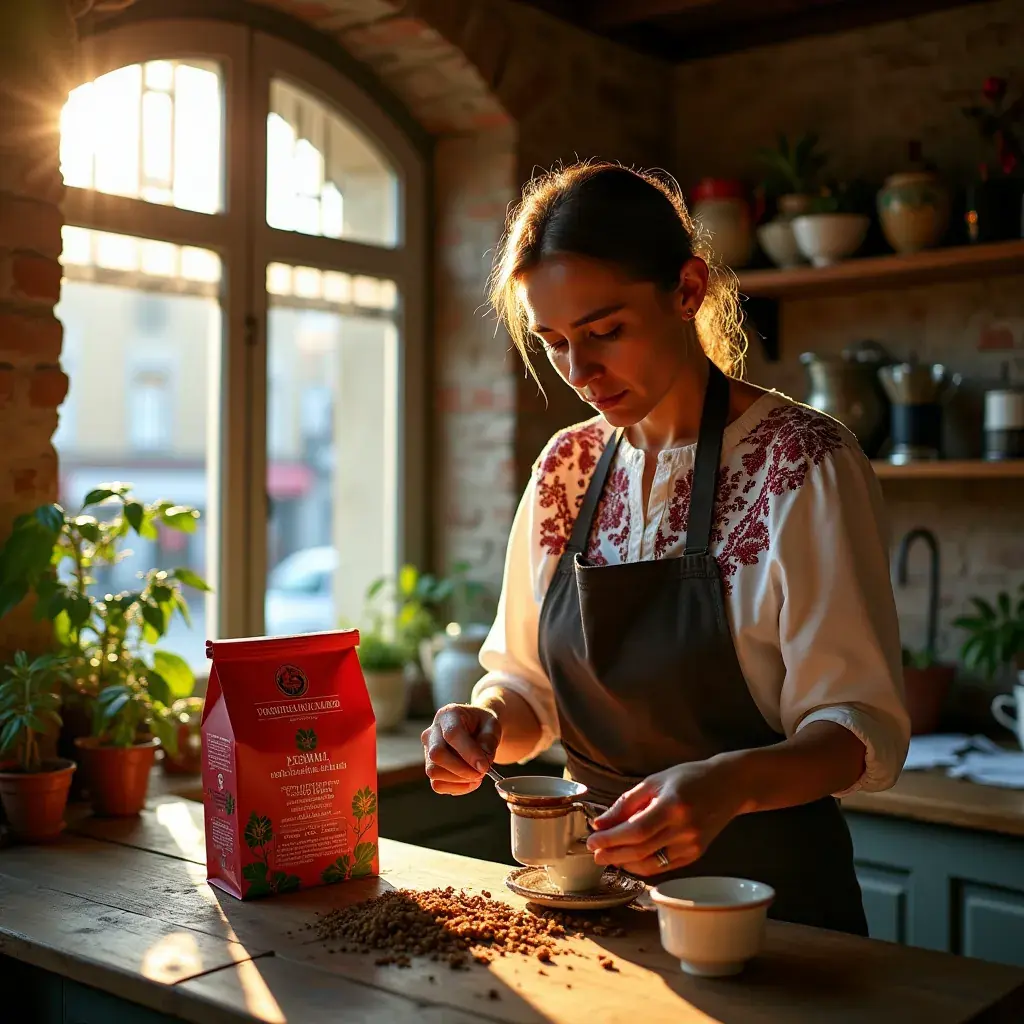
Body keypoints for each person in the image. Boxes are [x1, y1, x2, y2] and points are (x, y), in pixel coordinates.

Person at [420, 161, 910, 934]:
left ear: (687, 290)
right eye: (553, 342)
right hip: (592, 900)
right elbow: (527, 695)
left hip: (772, 912)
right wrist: (480, 724)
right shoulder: (564, 470)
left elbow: (856, 731)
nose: (580, 372)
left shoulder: (803, 462)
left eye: (605, 330)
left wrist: (727, 786)